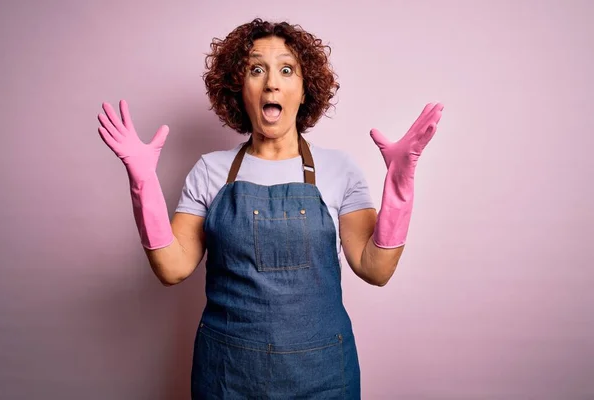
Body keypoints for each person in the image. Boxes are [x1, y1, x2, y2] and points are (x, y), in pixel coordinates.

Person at [97, 18, 443, 400]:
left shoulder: (339, 169)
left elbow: (376, 269)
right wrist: (142, 182)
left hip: (324, 375)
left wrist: (399, 185)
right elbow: (171, 268)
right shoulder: (210, 171)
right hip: (227, 376)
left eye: (286, 69)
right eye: (256, 69)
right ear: (238, 88)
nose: (271, 83)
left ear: (304, 87)